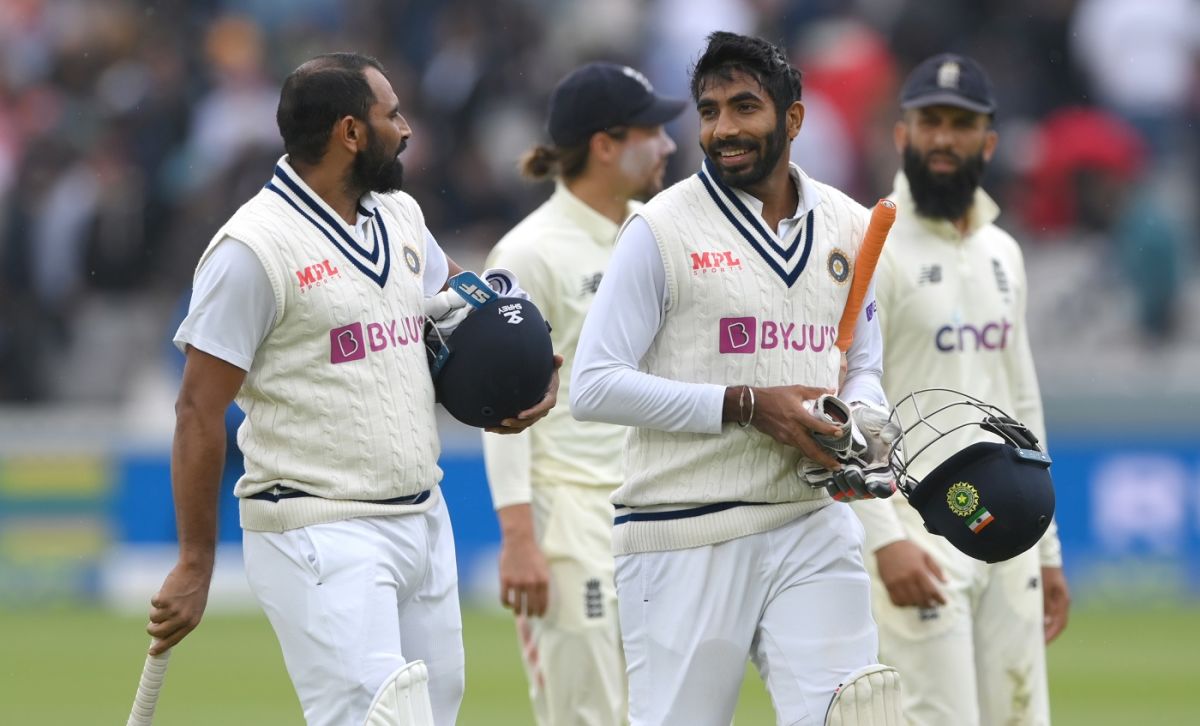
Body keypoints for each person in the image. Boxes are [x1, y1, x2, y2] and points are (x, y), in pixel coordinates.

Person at [142, 52, 558, 726]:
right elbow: (197, 410)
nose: (408, 129)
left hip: (423, 514)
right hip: (317, 526)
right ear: (351, 132)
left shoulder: (400, 215)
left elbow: (462, 302)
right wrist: (195, 561)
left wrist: (527, 364)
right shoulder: (251, 249)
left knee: (433, 715)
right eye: (393, 115)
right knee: (381, 718)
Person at [571, 32, 902, 726]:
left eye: (745, 107)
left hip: (810, 520)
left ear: (793, 118)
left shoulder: (849, 224)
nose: (723, 129)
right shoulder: (659, 229)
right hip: (684, 529)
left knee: (856, 714)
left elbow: (863, 366)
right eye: (710, 110)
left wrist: (861, 420)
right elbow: (594, 385)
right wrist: (748, 405)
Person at [850, 53, 1071, 726]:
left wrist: (1048, 548)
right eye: (930, 122)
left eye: (961, 124)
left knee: (1019, 717)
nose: (943, 138)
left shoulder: (1003, 251)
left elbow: (1021, 400)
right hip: (920, 527)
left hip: (1011, 530)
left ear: (989, 141)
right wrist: (883, 540)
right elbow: (846, 401)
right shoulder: (871, 243)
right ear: (902, 134)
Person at [481, 61, 684, 726]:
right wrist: (519, 539)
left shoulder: (659, 234)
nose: (669, 145)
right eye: (652, 131)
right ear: (605, 145)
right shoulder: (529, 252)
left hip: (656, 509)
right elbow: (499, 405)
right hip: (566, 518)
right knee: (587, 715)